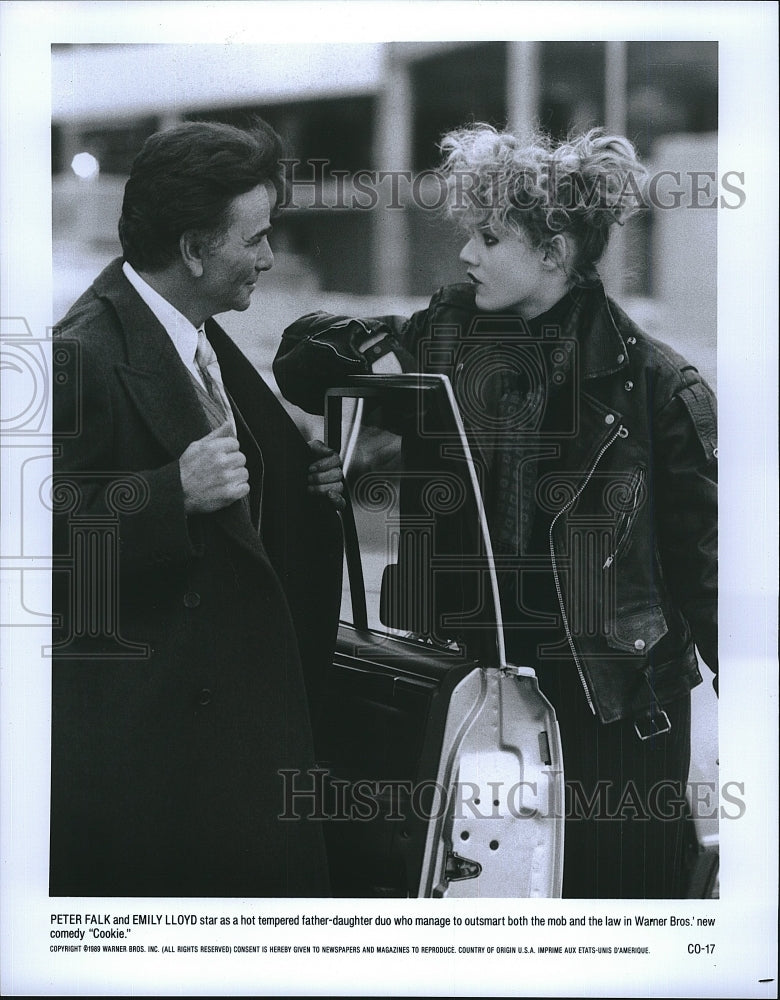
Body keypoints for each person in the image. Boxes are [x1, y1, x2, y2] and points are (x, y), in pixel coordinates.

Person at [273, 124, 718, 898]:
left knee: (613, 915)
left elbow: (707, 575)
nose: (466, 255)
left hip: (608, 707)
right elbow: (300, 364)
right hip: (471, 688)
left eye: (487, 236)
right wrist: (372, 373)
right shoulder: (447, 335)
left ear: (553, 254)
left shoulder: (653, 387)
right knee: (480, 910)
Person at [50, 119, 344, 897]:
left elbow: (248, 485)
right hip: (159, 774)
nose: (270, 257)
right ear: (192, 249)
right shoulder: (80, 354)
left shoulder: (192, 329)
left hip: (229, 744)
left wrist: (305, 469)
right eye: (254, 238)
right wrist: (166, 493)